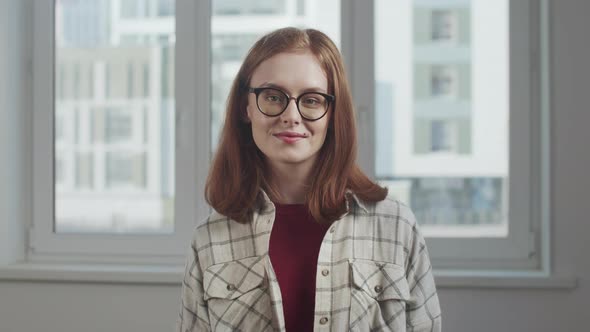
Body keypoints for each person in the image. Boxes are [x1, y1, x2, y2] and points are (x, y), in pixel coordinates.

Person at [177, 27, 441, 332]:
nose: (291, 115)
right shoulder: (209, 239)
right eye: (273, 97)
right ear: (245, 107)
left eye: (312, 100)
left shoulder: (396, 226)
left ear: (333, 113)